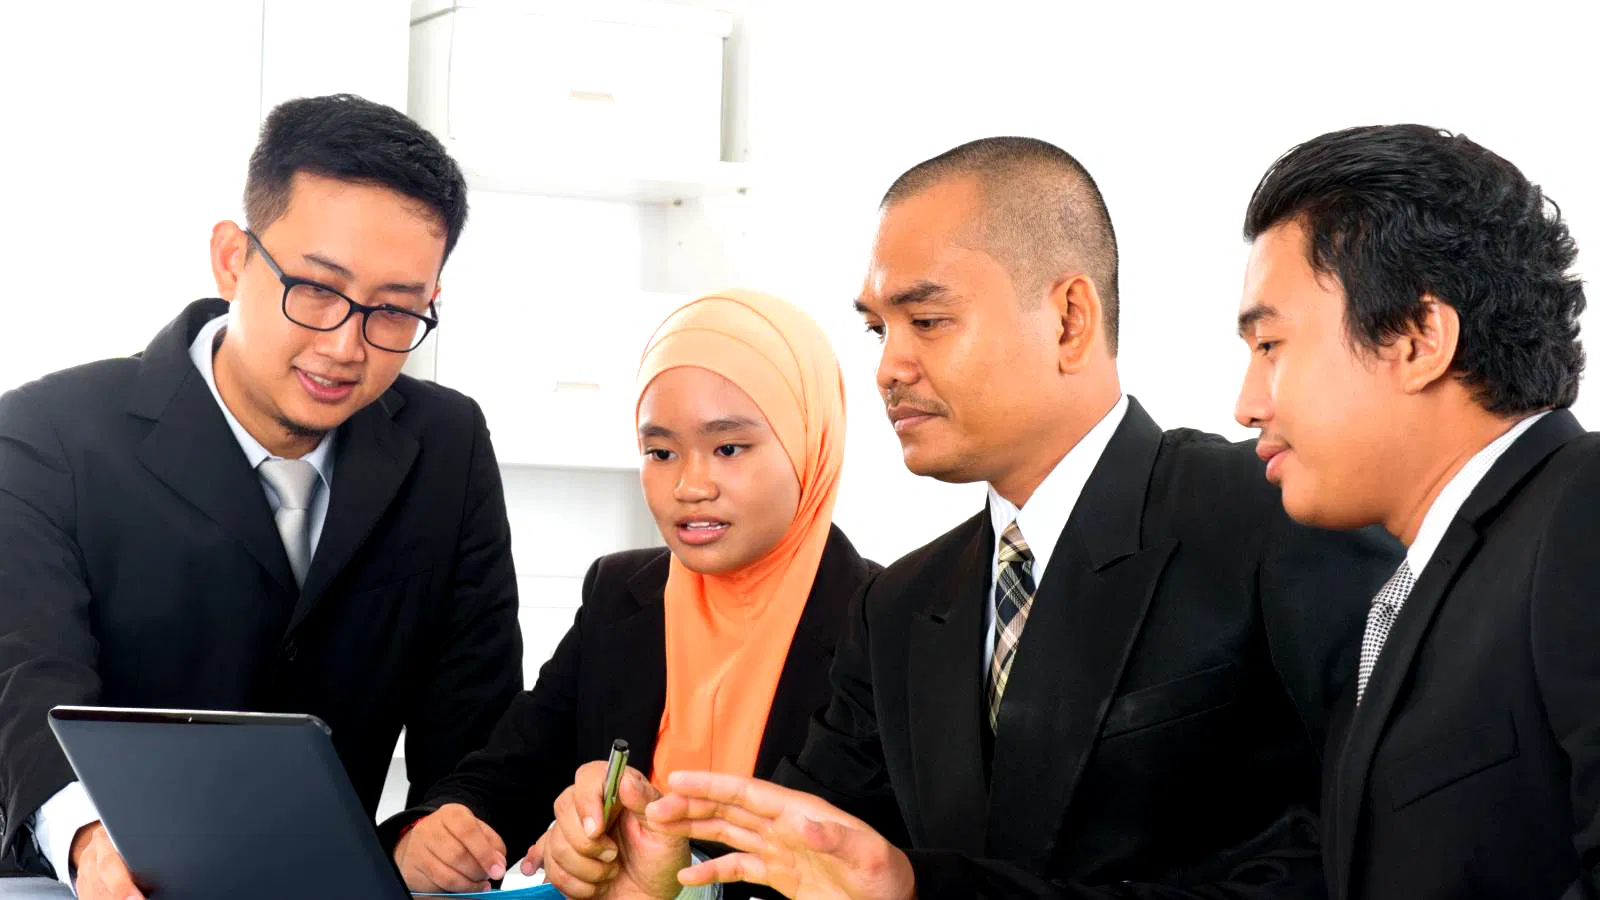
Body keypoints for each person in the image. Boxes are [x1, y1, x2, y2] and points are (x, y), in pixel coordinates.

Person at [538, 137, 1401, 900]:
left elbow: (1348, 863)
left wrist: (921, 890)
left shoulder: (1271, 516)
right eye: (878, 330)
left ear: (1069, 319)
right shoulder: (902, 606)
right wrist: (670, 877)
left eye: (927, 320)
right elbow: (797, 859)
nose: (889, 367)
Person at [0, 95, 522, 899]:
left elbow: (479, 728)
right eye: (315, 288)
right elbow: (24, 684)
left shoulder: (447, 445)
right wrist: (93, 843)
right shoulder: (46, 435)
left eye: (394, 310)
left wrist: (436, 827)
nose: (344, 346)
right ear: (231, 258)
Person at [386, 290, 879, 898]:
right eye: (660, 452)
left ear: (810, 440)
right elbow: (511, 768)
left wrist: (675, 883)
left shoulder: (888, 626)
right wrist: (436, 833)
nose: (690, 485)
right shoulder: (618, 594)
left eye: (728, 448)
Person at [1232, 124, 1597, 899]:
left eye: (1269, 345)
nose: (1247, 404)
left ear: (1417, 338)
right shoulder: (1412, 597)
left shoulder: (1582, 509)